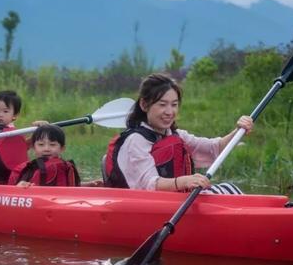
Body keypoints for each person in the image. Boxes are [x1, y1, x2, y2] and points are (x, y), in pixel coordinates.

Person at [104, 73, 253, 192]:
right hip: (145, 206)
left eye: (174, 105)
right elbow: (150, 184)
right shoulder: (135, 141)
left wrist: (238, 130)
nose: (169, 112)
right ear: (144, 104)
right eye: (162, 105)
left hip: (176, 203)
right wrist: (184, 181)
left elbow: (215, 147)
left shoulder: (176, 135)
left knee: (229, 188)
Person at [0, 90, 46, 184]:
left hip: (6, 179)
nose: (0, 114)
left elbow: (25, 146)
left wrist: (41, 129)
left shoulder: (15, 134)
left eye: (5, 111)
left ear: (15, 115)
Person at [8, 125, 80, 187]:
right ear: (34, 147)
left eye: (52, 145)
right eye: (41, 144)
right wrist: (18, 188)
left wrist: (88, 185)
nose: (46, 149)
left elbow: (69, 187)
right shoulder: (24, 168)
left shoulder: (64, 167)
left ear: (62, 148)